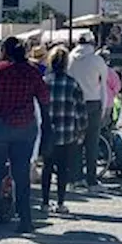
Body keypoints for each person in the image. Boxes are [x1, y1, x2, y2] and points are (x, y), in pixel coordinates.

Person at [0, 37, 49, 234]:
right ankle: (25, 220)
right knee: (21, 176)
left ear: (4, 51)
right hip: (24, 127)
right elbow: (44, 99)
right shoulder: (31, 72)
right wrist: (46, 125)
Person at [40, 46, 86, 215]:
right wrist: (81, 131)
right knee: (63, 169)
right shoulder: (73, 84)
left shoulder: (44, 82)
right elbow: (81, 111)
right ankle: (60, 202)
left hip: (48, 132)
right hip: (67, 133)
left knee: (46, 167)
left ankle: (45, 202)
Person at [66, 33, 107, 191]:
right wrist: (103, 108)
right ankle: (92, 179)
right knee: (92, 143)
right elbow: (103, 85)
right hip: (93, 102)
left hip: (73, 103)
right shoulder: (97, 60)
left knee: (75, 142)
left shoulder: (70, 58)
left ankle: (76, 177)